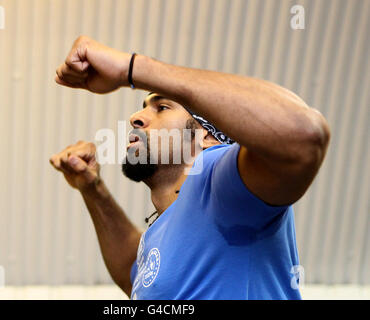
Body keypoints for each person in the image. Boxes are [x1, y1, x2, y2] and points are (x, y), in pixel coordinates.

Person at [49, 36, 330, 299]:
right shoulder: (162, 231)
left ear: (206, 137)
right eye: (143, 107)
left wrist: (131, 68)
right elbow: (134, 272)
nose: (135, 117)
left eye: (162, 107)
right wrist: (92, 188)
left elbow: (305, 134)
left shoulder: (220, 180)